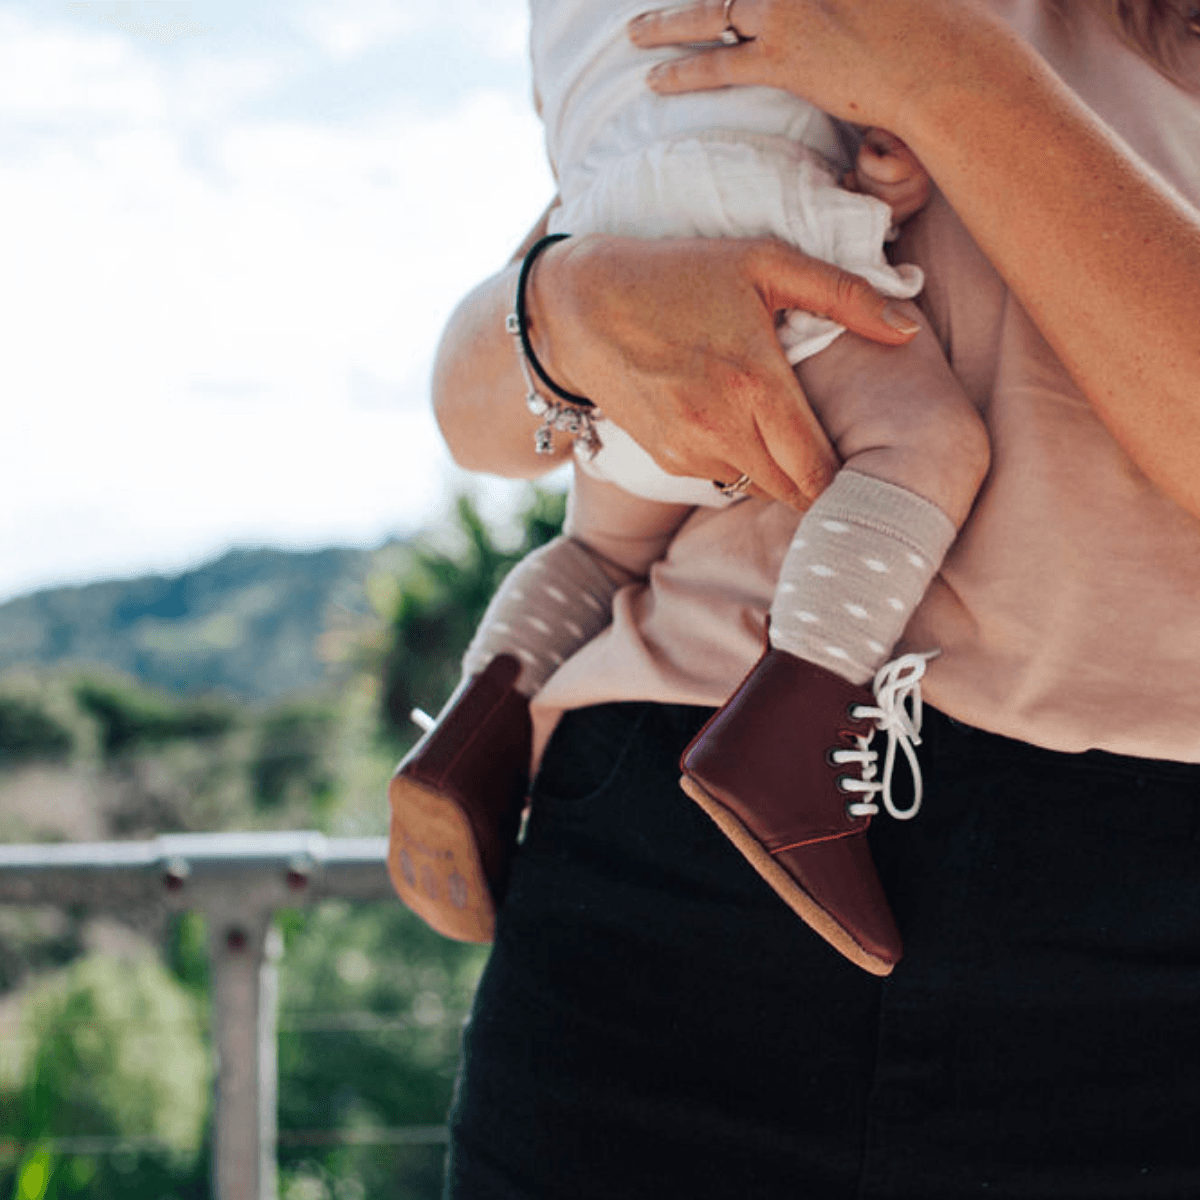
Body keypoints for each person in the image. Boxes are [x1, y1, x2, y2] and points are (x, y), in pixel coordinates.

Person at [430, 0, 1200, 1193]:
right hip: (654, 869)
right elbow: (470, 407)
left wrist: (951, 74)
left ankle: (479, 719)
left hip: (1140, 950)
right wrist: (568, 312)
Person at [389, 0, 990, 976]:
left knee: (599, 549)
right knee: (927, 443)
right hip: (756, 204)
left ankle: (477, 724)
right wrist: (891, 162)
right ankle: (790, 726)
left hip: (597, 240)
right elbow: (855, 74)